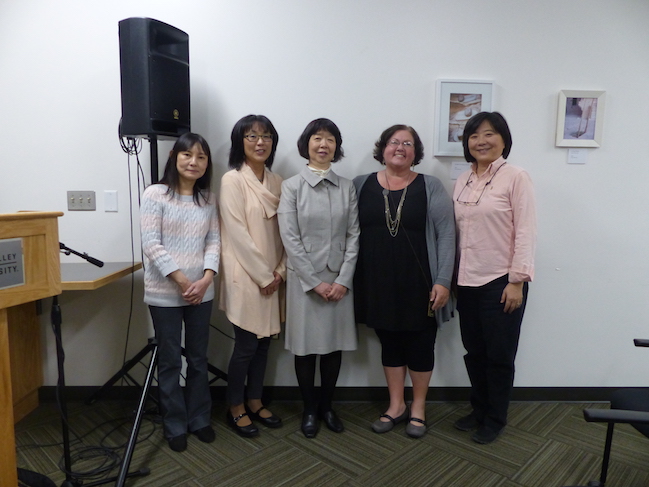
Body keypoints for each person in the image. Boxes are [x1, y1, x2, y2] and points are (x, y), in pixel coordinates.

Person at [353, 125, 455, 438]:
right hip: (376, 280)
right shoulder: (360, 184)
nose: (400, 148)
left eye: (407, 143)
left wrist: (443, 281)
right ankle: (396, 405)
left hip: (421, 280)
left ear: (416, 152)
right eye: (394, 142)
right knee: (390, 342)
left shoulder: (430, 185)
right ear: (382, 148)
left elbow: (447, 234)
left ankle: (419, 407)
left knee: (421, 344)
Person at [452, 111, 536, 444]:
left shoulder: (516, 177)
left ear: (503, 139)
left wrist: (517, 281)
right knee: (474, 352)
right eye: (474, 136)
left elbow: (526, 231)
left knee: (499, 356)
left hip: (502, 282)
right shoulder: (463, 179)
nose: (481, 141)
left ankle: (496, 418)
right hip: (467, 282)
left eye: (489, 134)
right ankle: (479, 408)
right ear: (467, 143)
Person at [278, 118, 360, 438]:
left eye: (330, 139)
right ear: (306, 144)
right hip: (304, 282)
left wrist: (343, 280)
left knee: (333, 348)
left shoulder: (347, 187)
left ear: (336, 147)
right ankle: (309, 409)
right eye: (317, 138)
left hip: (339, 281)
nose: (323, 145)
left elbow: (354, 236)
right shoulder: (291, 187)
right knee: (305, 348)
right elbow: (290, 238)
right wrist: (314, 281)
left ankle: (327, 406)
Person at [140, 133, 220, 452]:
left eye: (201, 157)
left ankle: (199, 418)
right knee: (171, 360)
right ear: (174, 156)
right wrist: (184, 282)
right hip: (165, 293)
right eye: (188, 155)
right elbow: (151, 244)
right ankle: (174, 423)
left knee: (199, 359)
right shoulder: (156, 194)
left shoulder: (208, 199)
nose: (194, 162)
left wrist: (205, 280)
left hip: (202, 293)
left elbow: (214, 242)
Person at [219, 114, 286, 437]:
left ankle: (255, 400)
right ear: (240, 142)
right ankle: (235, 406)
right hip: (245, 276)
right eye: (252, 136)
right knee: (245, 345)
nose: (260, 142)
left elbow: (287, 233)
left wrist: (280, 272)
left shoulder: (278, 182)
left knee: (263, 346)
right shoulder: (232, 180)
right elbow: (236, 233)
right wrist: (263, 276)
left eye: (266, 136)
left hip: (275, 276)